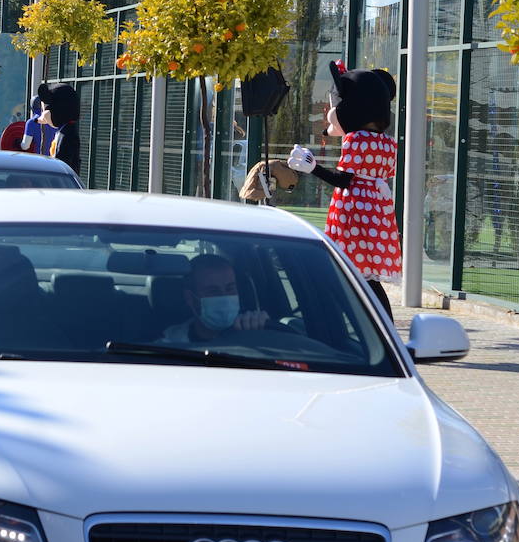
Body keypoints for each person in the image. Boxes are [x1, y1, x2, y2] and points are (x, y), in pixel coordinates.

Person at [287, 61, 400, 316]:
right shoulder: (387, 143)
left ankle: (332, 320)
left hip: (352, 215)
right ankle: (382, 327)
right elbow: (379, 176)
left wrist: (311, 166)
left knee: (346, 270)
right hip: (377, 215)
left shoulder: (355, 140)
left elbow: (344, 180)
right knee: (368, 279)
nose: (331, 113)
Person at [159, 255, 270, 343]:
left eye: (230, 288)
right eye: (213, 291)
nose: (224, 296)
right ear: (190, 298)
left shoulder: (255, 329)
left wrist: (264, 333)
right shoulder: (170, 344)